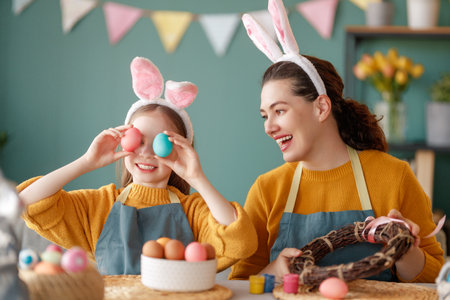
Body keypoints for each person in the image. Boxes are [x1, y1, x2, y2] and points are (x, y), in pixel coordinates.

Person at [229, 0, 444, 283]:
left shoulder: (394, 176)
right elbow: (240, 283)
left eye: (279, 111)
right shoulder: (267, 191)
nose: (269, 127)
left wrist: (404, 251)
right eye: (264, 116)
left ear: (321, 108)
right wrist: (275, 274)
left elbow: (437, 280)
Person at [17, 57, 257, 275]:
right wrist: (85, 162)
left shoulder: (193, 211)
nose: (146, 152)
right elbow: (28, 203)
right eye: (137, 140)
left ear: (181, 151)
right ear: (123, 143)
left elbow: (240, 240)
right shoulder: (101, 205)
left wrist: (197, 177)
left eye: (160, 143)